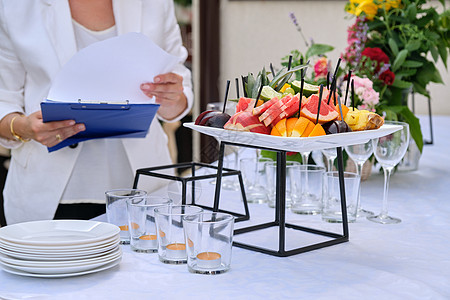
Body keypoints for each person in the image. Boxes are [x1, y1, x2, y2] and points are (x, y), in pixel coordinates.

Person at [0, 0, 193, 224]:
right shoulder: (16, 6)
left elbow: (179, 88)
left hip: (143, 190)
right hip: (49, 193)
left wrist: (171, 97)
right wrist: (24, 127)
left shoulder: (155, 3)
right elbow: (4, 98)